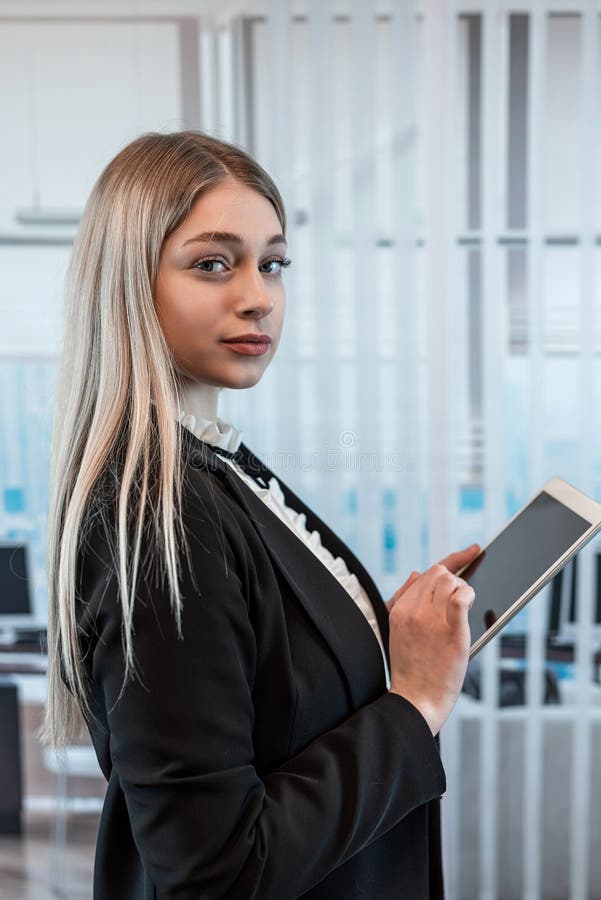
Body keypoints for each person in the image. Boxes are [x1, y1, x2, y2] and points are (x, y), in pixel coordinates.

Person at [43, 131, 479, 900]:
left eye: (271, 263)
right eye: (213, 264)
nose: (258, 296)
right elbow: (218, 872)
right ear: (128, 281)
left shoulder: (216, 465)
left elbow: (268, 686)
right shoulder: (163, 516)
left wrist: (370, 635)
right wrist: (417, 701)